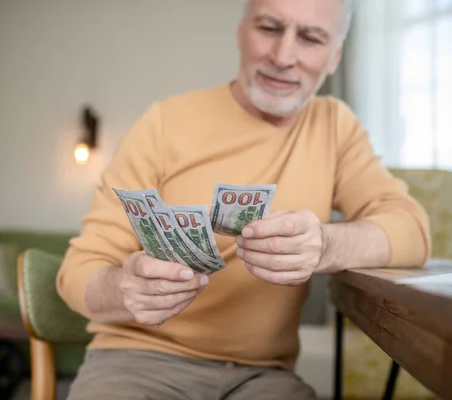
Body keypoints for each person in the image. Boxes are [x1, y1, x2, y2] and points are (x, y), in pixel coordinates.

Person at [57, 0, 431, 398]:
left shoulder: (334, 127)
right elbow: (77, 271)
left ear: (334, 56)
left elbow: (413, 231)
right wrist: (123, 288)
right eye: (269, 28)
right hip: (138, 361)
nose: (284, 56)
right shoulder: (164, 123)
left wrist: (326, 244)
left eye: (310, 37)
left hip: (261, 377)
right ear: (241, 32)